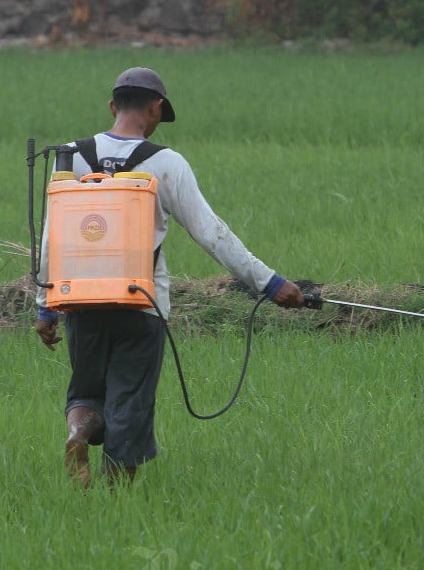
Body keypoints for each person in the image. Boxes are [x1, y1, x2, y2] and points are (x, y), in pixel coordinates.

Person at [34, 67, 304, 487]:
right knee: (129, 404)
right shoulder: (166, 163)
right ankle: (115, 505)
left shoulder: (71, 155)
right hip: (141, 303)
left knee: (87, 390)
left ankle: (77, 433)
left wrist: (45, 307)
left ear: (112, 107)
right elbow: (212, 233)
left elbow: (53, 237)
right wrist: (269, 283)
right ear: (156, 107)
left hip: (79, 298)